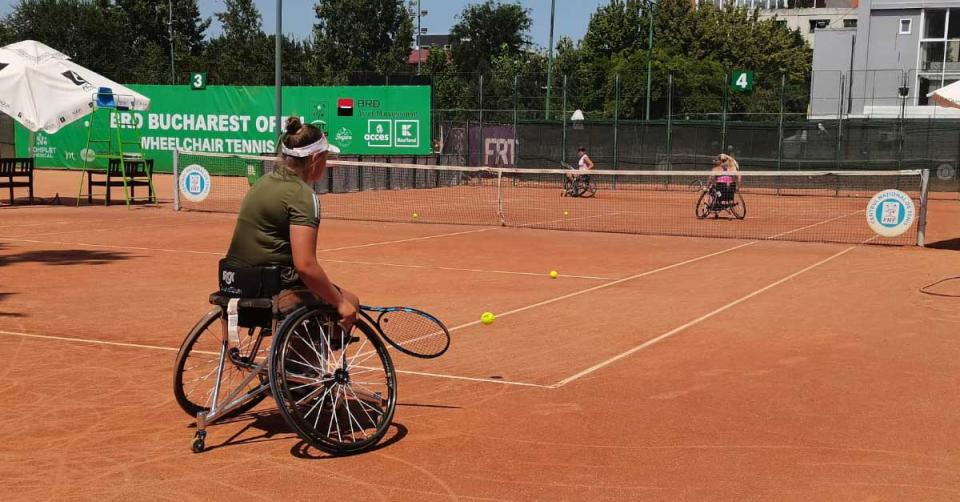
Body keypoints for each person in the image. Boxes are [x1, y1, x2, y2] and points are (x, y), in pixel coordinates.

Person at [223, 116, 359, 328]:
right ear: (314, 159)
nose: (327, 163)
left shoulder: (262, 182)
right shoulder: (302, 195)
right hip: (271, 289)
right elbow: (305, 266)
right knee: (351, 302)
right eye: (325, 157)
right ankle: (300, 360)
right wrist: (340, 302)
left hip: (233, 281)